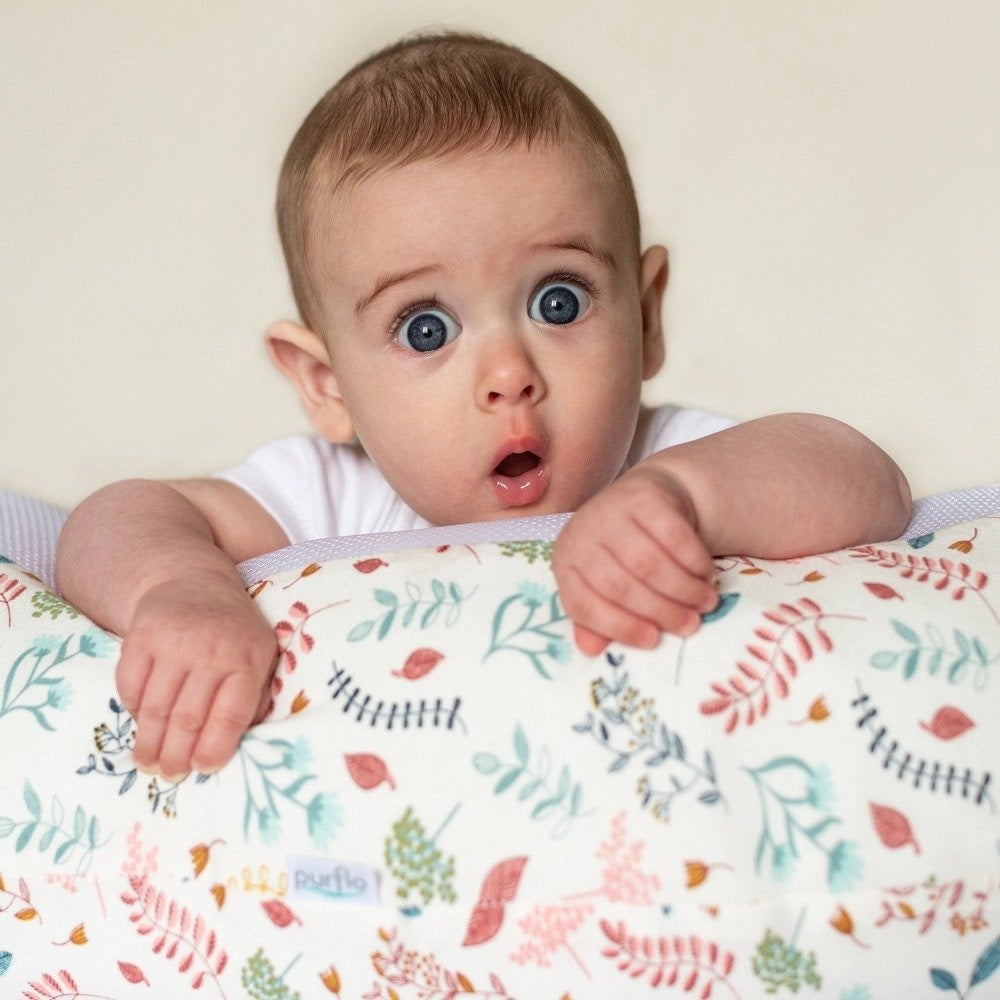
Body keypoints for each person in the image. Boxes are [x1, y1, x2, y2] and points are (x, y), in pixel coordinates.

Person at [56, 31, 910, 784]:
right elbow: (116, 517)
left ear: (645, 319)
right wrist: (181, 585)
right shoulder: (330, 499)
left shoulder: (665, 466)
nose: (508, 373)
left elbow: (864, 479)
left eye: (560, 303)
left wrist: (683, 500)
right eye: (426, 328)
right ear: (328, 385)